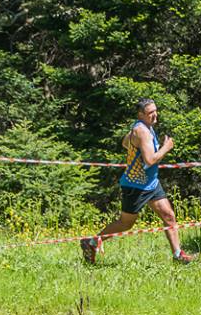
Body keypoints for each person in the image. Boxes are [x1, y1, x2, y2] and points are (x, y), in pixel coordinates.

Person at [80, 98, 193, 264]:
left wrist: (137, 148)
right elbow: (150, 160)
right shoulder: (142, 131)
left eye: (155, 111)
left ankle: (178, 255)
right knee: (125, 224)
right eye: (150, 113)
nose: (155, 115)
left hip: (151, 183)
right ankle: (91, 243)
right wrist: (166, 147)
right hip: (136, 186)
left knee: (168, 215)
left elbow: (125, 142)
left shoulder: (144, 127)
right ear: (140, 115)